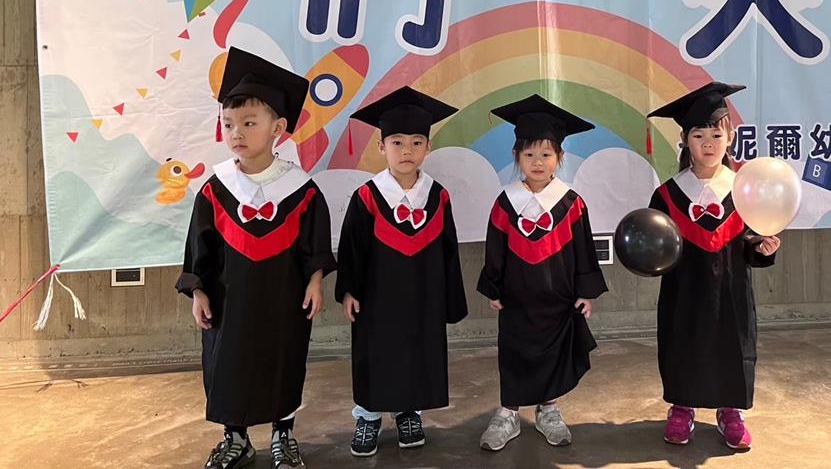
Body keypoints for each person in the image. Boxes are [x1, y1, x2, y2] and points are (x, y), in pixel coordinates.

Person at [177, 47, 336, 469]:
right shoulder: (216, 188)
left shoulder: (300, 189)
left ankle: (284, 434)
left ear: (277, 128)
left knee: (283, 360)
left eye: (249, 123)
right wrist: (197, 291)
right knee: (228, 364)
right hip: (228, 301)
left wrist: (315, 281)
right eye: (229, 124)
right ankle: (236, 438)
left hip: (284, 299)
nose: (237, 133)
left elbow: (315, 244)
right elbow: (199, 247)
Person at [647, 82, 780, 450]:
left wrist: (763, 248)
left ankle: (730, 411)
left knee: (732, 344)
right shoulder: (668, 195)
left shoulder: (743, 190)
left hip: (731, 291)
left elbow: (751, 242)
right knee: (683, 342)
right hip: (684, 290)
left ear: (730, 138)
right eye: (699, 135)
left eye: (716, 135)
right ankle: (682, 407)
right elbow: (656, 246)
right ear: (685, 141)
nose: (708, 143)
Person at [336, 86, 468, 457]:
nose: (406, 150)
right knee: (375, 354)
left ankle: (409, 411)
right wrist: (349, 290)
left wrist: (449, 298)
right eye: (396, 142)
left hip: (424, 294)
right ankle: (368, 415)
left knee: (417, 352)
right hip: (377, 297)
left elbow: (449, 249)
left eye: (416, 142)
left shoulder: (437, 196)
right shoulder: (367, 196)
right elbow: (352, 249)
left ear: (428, 147)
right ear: (382, 147)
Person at [477, 94, 608, 451]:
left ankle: (548, 410)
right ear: (517, 156)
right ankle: (508, 413)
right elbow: (495, 248)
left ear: (559, 158)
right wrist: (494, 288)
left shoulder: (571, 202)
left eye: (546, 154)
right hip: (517, 299)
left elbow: (583, 250)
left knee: (553, 355)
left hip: (559, 300)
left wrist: (585, 292)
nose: (538, 162)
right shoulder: (506, 202)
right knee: (514, 353)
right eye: (530, 154)